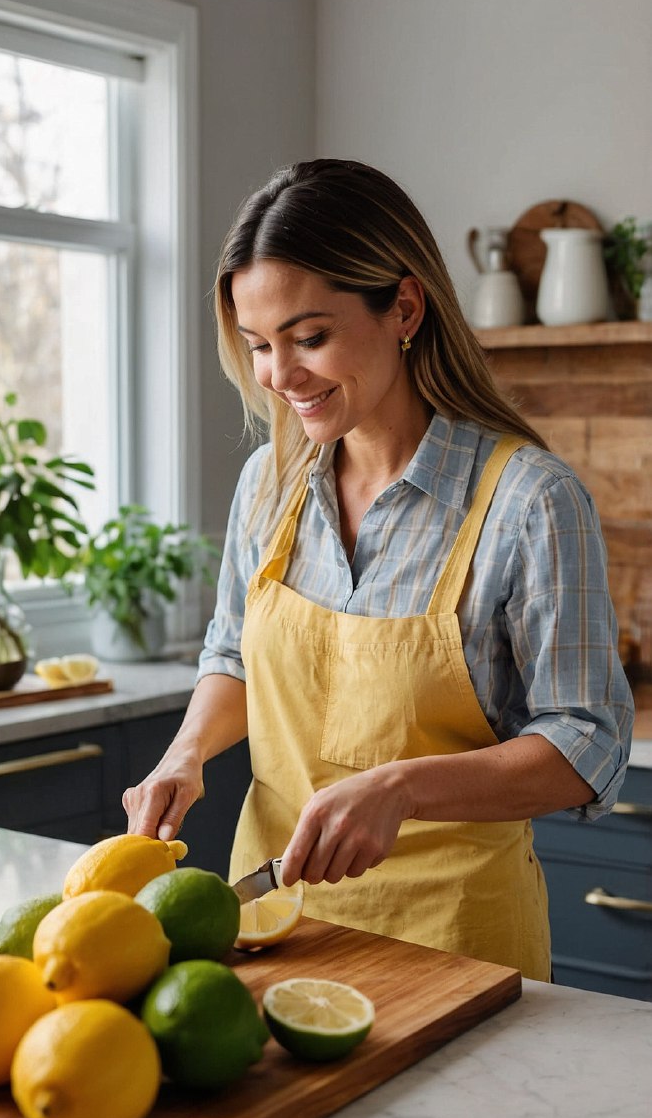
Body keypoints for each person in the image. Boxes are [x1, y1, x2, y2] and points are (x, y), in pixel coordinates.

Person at [124, 158, 634, 980]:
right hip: (269, 927)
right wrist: (185, 753)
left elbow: (590, 743)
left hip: (458, 946)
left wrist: (402, 788)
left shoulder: (529, 499)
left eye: (310, 337)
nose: (279, 377)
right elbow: (232, 656)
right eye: (258, 346)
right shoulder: (269, 483)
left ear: (403, 306)